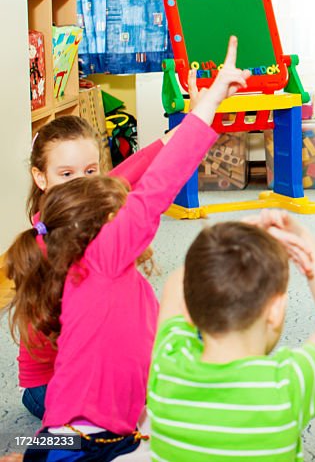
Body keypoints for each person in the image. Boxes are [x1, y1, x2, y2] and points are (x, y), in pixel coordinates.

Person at [5, 37, 246, 460]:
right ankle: (31, 448)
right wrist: (209, 104)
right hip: (63, 401)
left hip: (82, 403)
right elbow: (157, 186)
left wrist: (200, 108)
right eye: (66, 173)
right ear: (40, 178)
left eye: (90, 171)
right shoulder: (96, 249)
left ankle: (31, 449)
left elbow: (149, 165)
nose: (82, 182)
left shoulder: (76, 224)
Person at [147, 213, 315, 460]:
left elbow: (174, 286)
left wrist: (221, 242)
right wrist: (305, 242)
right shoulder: (287, 386)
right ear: (275, 310)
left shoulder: (167, 366)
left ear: (188, 311)